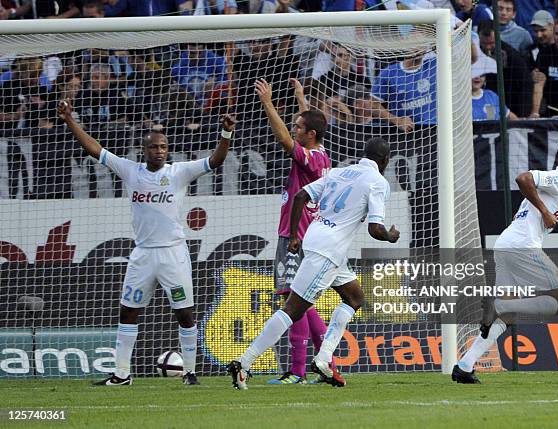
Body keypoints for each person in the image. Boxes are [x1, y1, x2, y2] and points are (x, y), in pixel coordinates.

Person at [57, 98, 236, 386]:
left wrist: (226, 134)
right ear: (144, 150)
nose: (159, 151)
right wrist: (69, 120)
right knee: (128, 311)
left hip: (173, 254)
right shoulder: (131, 170)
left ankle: (190, 372)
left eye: (163, 147)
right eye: (154, 147)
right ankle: (121, 374)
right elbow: (94, 149)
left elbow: (215, 161)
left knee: (185, 313)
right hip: (142, 255)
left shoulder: (179, 172)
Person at [227, 137, 400, 390]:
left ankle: (322, 359)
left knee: (355, 298)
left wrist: (296, 235)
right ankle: (244, 363)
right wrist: (390, 236)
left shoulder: (339, 172)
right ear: (385, 161)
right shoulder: (378, 182)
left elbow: (300, 196)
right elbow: (375, 228)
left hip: (317, 239)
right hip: (328, 250)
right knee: (293, 309)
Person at [452, 143, 558, 384]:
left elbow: (531, 220)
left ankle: (464, 366)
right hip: (522, 248)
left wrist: (557, 216)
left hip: (506, 245)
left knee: (509, 315)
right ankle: (498, 305)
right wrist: (547, 211)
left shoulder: (552, 190)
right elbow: (523, 178)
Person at [254, 78, 334, 385]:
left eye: (299, 126)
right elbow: (309, 126)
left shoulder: (310, 157)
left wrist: (268, 103)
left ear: (309, 134)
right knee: (303, 303)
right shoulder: (322, 153)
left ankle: (297, 372)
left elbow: (286, 141)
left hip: (295, 237)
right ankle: (326, 362)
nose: (295, 128)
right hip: (304, 235)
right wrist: (301, 98)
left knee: (292, 301)